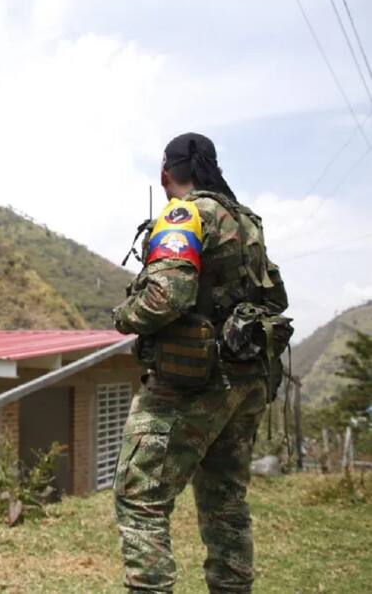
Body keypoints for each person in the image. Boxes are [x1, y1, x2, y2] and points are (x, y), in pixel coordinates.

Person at [111, 132, 290, 593]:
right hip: (246, 379)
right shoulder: (244, 220)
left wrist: (123, 316)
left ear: (166, 174)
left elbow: (164, 297)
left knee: (140, 497)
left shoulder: (184, 212)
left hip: (192, 383)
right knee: (226, 503)